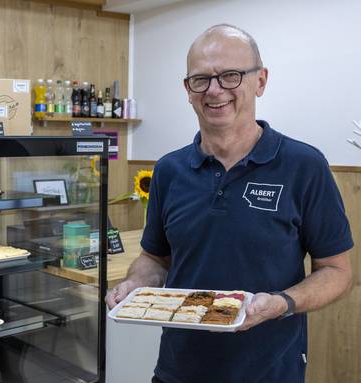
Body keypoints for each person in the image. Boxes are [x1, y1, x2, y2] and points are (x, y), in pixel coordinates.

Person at [105, 24, 354, 383]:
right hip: (178, 369)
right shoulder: (169, 170)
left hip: (270, 372)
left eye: (230, 76)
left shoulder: (304, 166)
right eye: (201, 79)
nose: (215, 90)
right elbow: (155, 258)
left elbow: (337, 272)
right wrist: (135, 286)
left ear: (261, 81)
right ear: (188, 90)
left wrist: (281, 303)